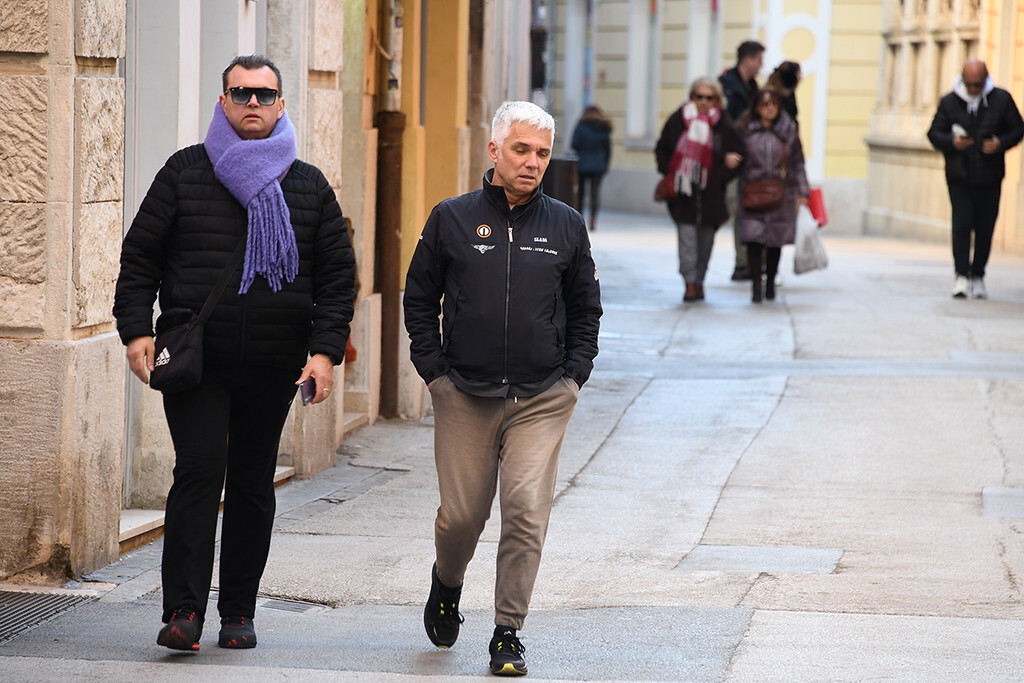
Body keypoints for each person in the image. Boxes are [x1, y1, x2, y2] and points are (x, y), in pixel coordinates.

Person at [113, 55, 356, 652]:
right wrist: (135, 330)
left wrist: (324, 353)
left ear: (281, 105)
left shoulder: (308, 185)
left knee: (251, 483)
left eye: (264, 95)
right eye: (240, 93)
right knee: (198, 471)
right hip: (199, 362)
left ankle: (238, 612)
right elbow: (140, 256)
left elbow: (335, 279)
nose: (253, 103)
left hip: (274, 363)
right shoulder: (184, 173)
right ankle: (184, 612)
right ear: (222, 102)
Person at [404, 100, 602, 677]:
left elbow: (587, 309)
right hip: (464, 392)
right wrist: (434, 374)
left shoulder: (566, 224)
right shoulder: (453, 218)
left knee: (524, 510)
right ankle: (447, 582)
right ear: (494, 151)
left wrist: (573, 377)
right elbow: (419, 298)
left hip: (542, 397)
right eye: (521, 150)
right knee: (462, 516)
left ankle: (507, 633)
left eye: (542, 153)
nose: (533, 162)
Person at [927, 59, 1024, 299]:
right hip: (959, 175)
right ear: (962, 80)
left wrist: (1000, 143)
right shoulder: (950, 101)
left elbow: (1018, 129)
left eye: (977, 85)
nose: (972, 90)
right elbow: (933, 133)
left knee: (985, 227)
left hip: (989, 176)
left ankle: (978, 274)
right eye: (968, 84)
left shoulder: (1001, 99)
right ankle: (961, 275)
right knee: (961, 225)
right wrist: (952, 142)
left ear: (985, 80)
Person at [655, 78, 745, 302]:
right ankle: (689, 283)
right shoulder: (679, 119)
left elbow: (738, 154)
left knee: (705, 243)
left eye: (709, 97)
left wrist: (721, 176)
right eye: (699, 96)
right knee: (687, 242)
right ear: (692, 97)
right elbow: (662, 149)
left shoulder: (723, 124)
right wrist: (674, 172)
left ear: (716, 100)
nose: (704, 102)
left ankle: (700, 280)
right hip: (683, 194)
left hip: (711, 196)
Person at [735, 87, 809, 303]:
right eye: (764, 104)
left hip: (781, 191)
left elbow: (798, 163)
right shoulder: (745, 130)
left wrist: (803, 191)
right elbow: (735, 155)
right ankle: (756, 285)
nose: (769, 108)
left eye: (773, 103)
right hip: (753, 190)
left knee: (775, 239)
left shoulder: (788, 131)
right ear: (756, 107)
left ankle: (770, 283)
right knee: (753, 239)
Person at [719, 40, 765, 282]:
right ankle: (742, 261)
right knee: (730, 209)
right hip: (728, 163)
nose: (761, 66)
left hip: (747, 162)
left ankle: (743, 262)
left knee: (743, 211)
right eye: (759, 60)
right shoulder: (727, 85)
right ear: (748, 60)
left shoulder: (752, 88)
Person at [570, 105, 613, 231]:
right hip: (598, 165)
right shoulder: (604, 128)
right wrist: (605, 164)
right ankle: (593, 221)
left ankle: (579, 219)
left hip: (582, 163)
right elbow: (608, 150)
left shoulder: (581, 126)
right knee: (595, 194)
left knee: (580, 194)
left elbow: (574, 144)